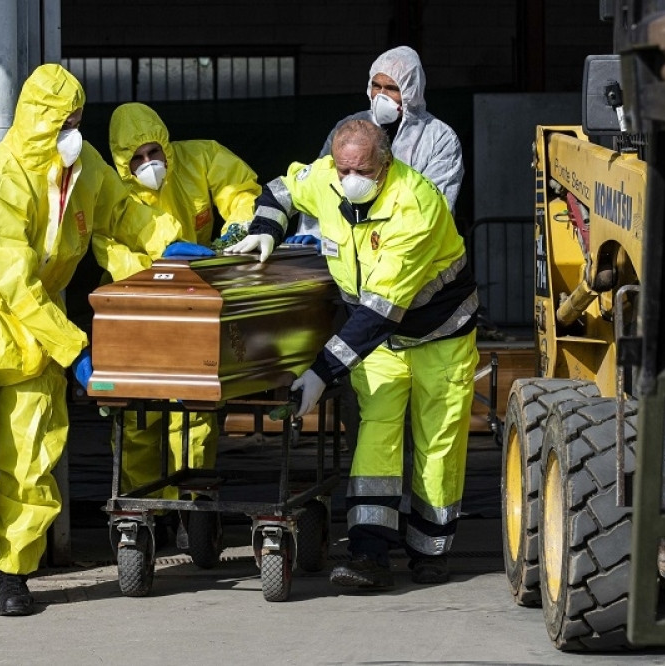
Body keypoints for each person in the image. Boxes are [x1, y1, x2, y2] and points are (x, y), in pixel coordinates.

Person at [0, 64, 195, 618]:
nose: (73, 129)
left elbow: (123, 215)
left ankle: (13, 573)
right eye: (63, 120)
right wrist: (75, 349)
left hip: (38, 326)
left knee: (32, 454)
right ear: (36, 119)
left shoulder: (85, 166)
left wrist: (173, 246)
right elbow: (14, 284)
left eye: (78, 118)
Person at [225, 119, 479, 589]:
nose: (348, 179)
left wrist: (320, 372)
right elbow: (280, 190)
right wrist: (265, 229)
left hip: (439, 336)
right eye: (343, 168)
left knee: (437, 450)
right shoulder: (325, 177)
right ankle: (368, 554)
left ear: (386, 165)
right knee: (375, 441)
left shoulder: (415, 206)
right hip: (380, 342)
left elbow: (380, 312)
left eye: (360, 169)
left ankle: (429, 551)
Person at [105, 101, 260, 549]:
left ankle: (194, 501)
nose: (148, 163)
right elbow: (101, 240)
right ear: (121, 161)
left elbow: (240, 188)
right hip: (136, 305)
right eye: (136, 158)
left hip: (197, 300)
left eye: (154, 151)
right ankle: (145, 510)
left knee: (197, 409)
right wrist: (150, 265)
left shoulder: (200, 158)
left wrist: (239, 229)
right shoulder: (110, 187)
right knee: (140, 415)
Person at [289, 45, 464, 245]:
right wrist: (319, 234)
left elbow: (433, 208)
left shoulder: (439, 138)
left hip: (415, 254)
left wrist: (370, 242)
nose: (381, 96)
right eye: (376, 86)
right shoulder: (350, 129)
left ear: (411, 91)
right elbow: (321, 184)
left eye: (392, 88)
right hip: (352, 253)